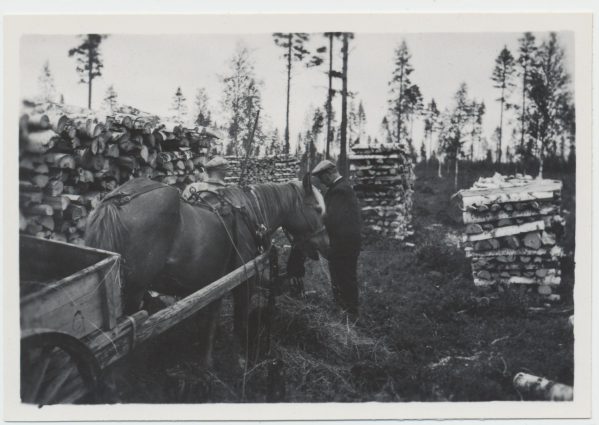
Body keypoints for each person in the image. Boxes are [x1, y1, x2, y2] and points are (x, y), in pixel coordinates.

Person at [312, 160, 362, 315]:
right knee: (340, 278)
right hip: (342, 243)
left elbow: (333, 218)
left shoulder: (340, 189)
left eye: (322, 177)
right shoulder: (338, 188)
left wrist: (319, 214)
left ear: (329, 173)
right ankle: (343, 310)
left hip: (344, 244)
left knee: (345, 279)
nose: (321, 182)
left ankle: (351, 314)